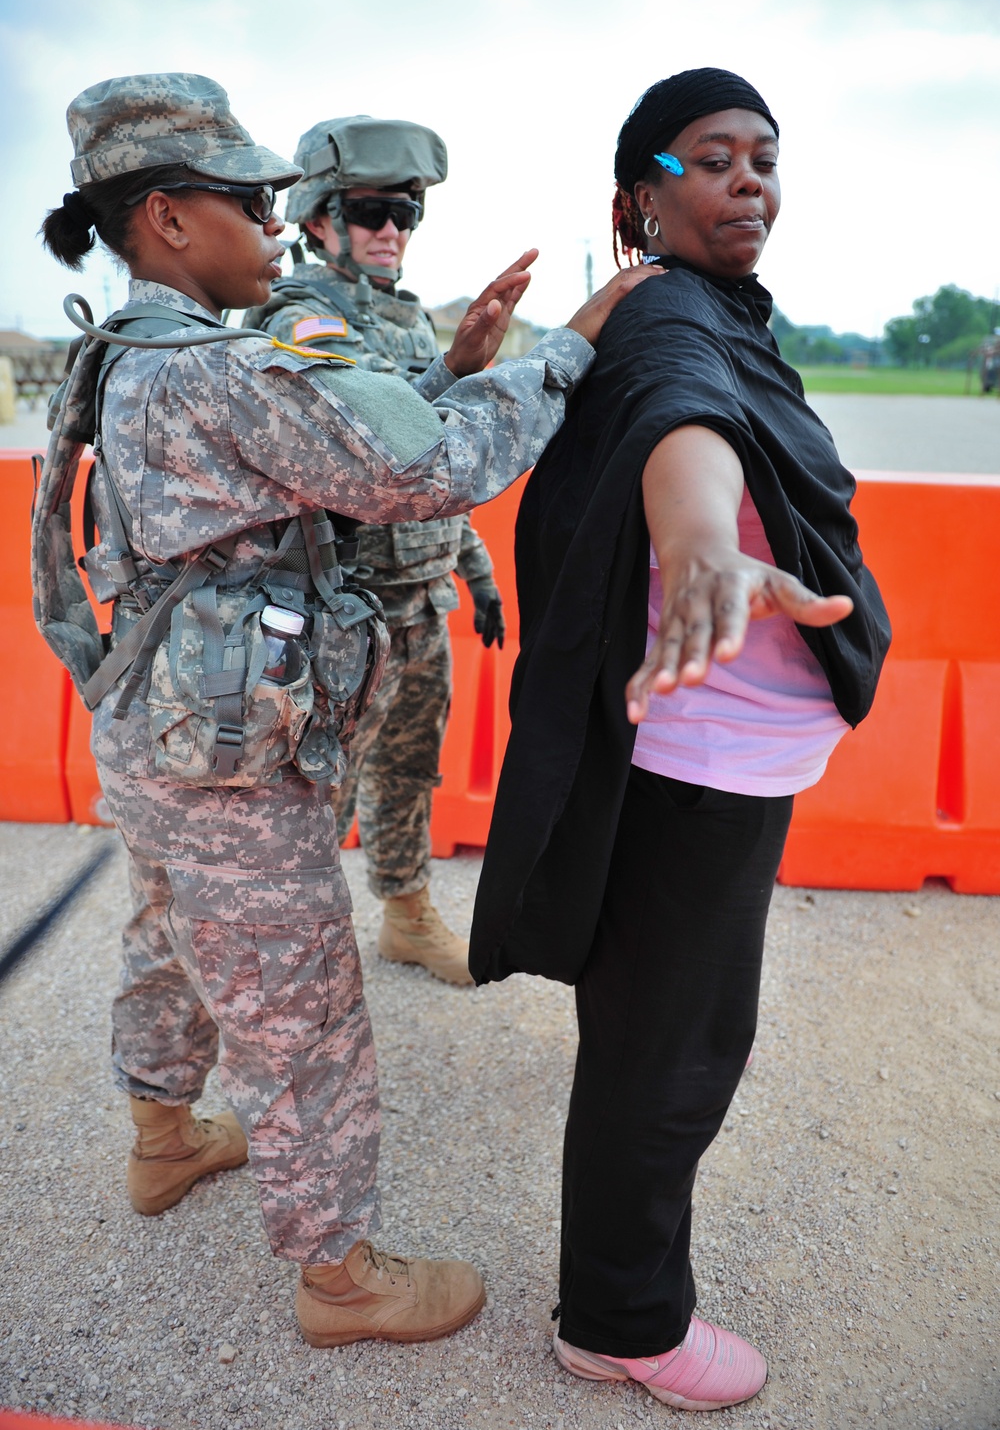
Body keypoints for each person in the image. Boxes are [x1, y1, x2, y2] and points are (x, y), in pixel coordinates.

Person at [36, 71, 653, 1350]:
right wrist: (570, 348)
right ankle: (342, 1280)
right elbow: (421, 471)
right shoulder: (219, 362)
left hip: (156, 725)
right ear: (165, 217)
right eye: (250, 197)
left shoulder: (130, 350)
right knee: (299, 1001)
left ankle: (161, 1139)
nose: (274, 218)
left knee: (168, 932)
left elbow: (326, 446)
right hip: (225, 757)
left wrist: (449, 361)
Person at [469, 68, 891, 1410]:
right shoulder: (668, 318)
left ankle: (637, 1197)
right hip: (696, 768)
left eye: (766, 158)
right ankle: (621, 1316)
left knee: (666, 1023)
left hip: (721, 766)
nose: (751, 180)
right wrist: (703, 537)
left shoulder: (702, 309)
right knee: (669, 1053)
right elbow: (681, 413)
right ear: (637, 199)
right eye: (712, 158)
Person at [243, 115, 501, 988]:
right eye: (371, 211)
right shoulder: (301, 314)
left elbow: (439, 466)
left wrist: (477, 574)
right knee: (322, 788)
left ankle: (404, 910)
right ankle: (301, 950)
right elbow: (366, 440)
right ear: (317, 219)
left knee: (409, 767)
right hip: (346, 607)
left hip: (423, 599)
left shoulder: (412, 318)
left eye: (407, 214)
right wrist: (458, 373)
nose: (392, 230)